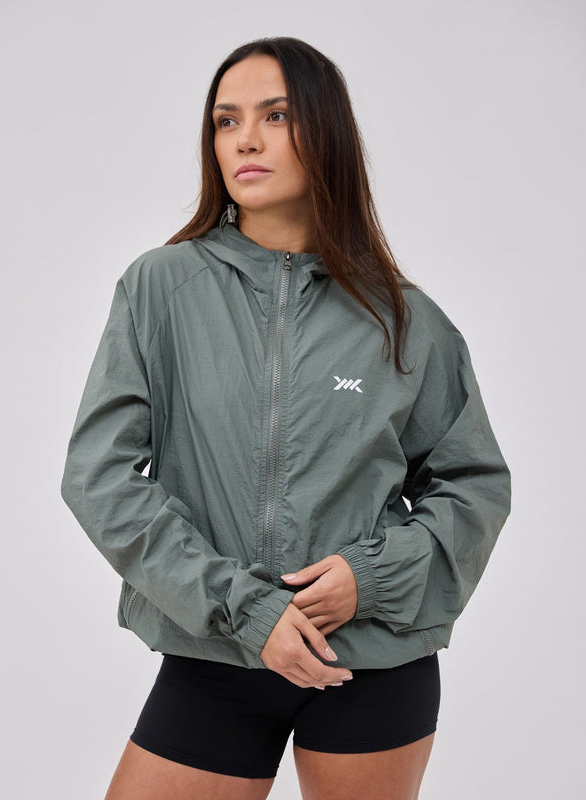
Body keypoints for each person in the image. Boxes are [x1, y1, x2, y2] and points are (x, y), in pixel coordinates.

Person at [61, 37, 511, 800]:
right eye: (226, 120)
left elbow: (474, 487)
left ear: (325, 132)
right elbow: (97, 477)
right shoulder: (161, 290)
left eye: (275, 115)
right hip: (217, 652)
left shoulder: (404, 320)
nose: (246, 139)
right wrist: (247, 607)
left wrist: (369, 578)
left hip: (371, 662)